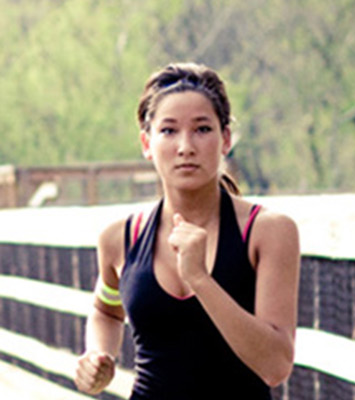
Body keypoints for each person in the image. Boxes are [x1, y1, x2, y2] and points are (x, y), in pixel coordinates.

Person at [73, 63, 301, 399]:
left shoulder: (267, 232)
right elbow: (106, 308)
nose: (185, 147)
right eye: (168, 131)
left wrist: (200, 280)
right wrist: (97, 354)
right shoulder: (121, 238)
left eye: (202, 129)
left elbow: (275, 365)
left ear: (225, 139)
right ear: (146, 143)